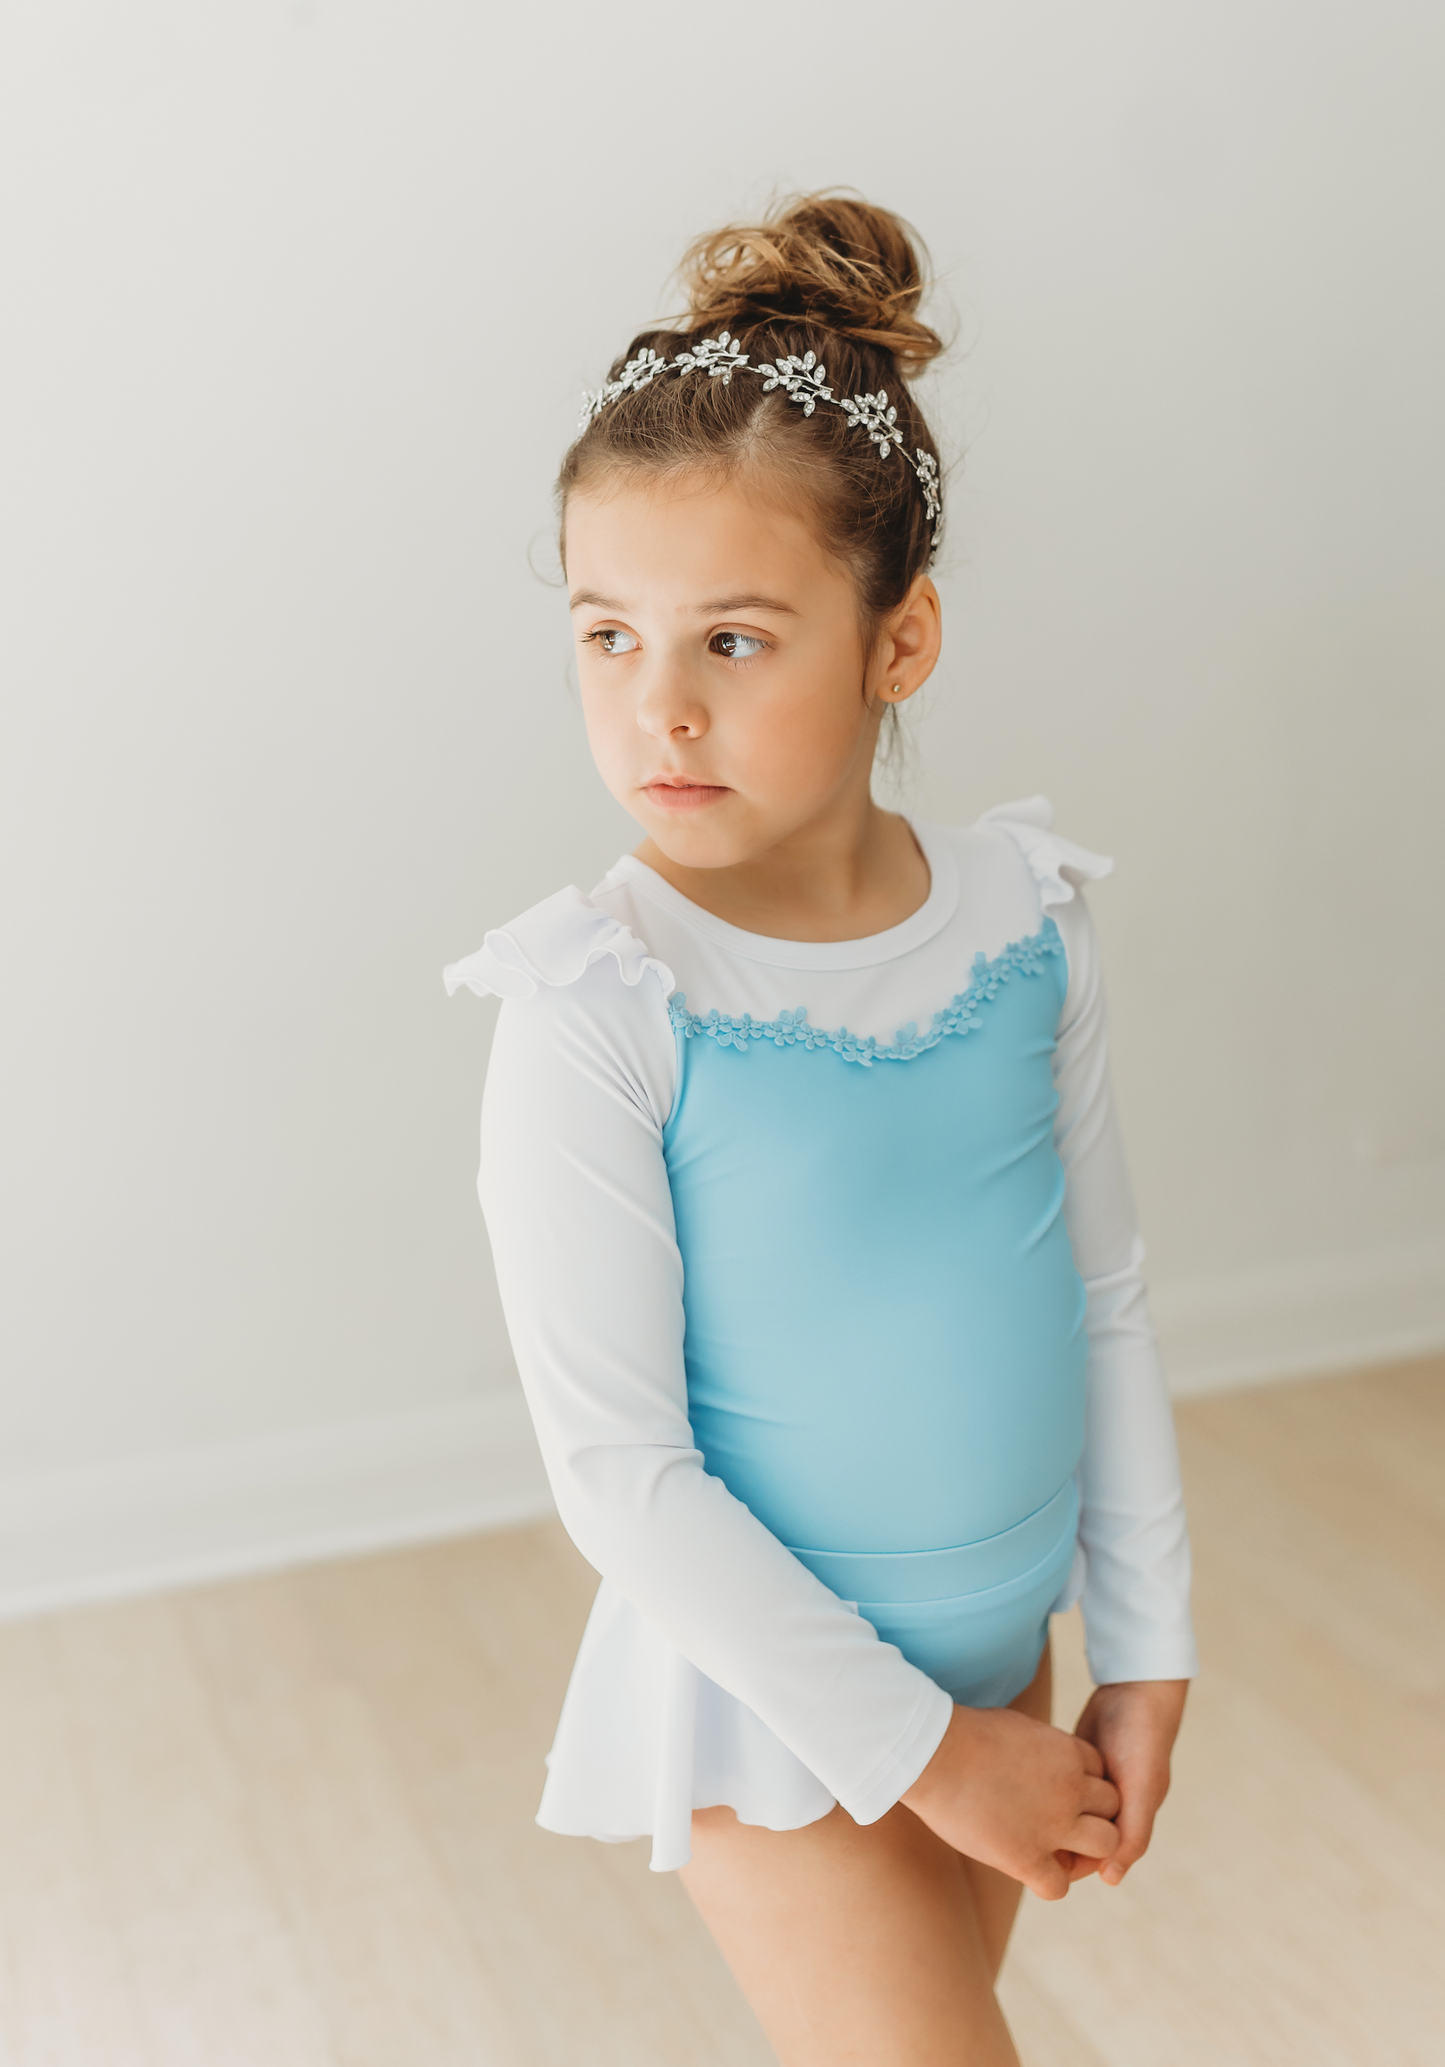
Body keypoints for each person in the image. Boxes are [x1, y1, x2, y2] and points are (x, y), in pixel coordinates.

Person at [446, 192, 1195, 2067]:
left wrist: (1150, 1635)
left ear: (901, 637)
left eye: (737, 639)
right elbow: (622, 1475)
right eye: (606, 635)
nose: (658, 709)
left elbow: (1101, 1289)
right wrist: (932, 1757)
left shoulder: (1026, 916)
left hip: (1004, 1648)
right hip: (767, 1704)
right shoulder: (594, 1008)